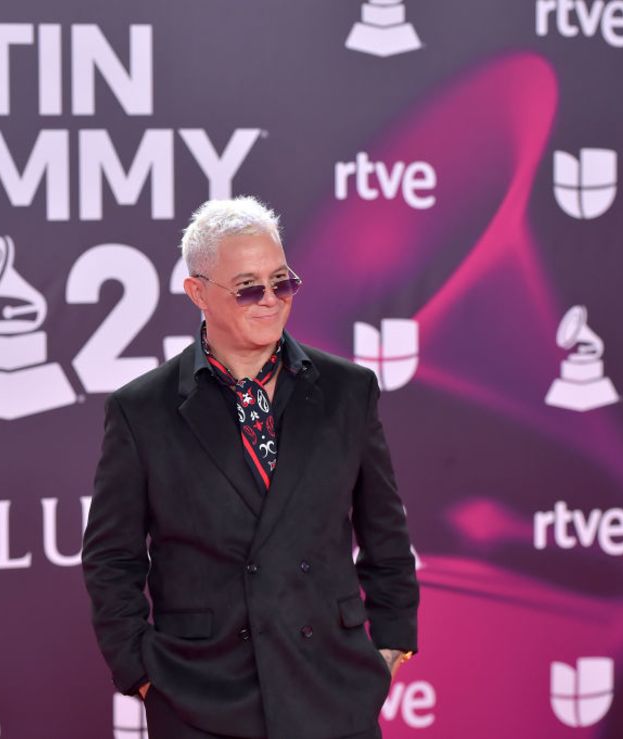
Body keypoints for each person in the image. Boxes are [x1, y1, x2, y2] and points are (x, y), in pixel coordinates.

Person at [82, 196, 419, 739]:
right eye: (248, 287)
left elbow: (386, 533)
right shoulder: (141, 410)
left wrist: (390, 644)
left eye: (281, 282)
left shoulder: (348, 391)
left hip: (333, 692)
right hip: (201, 699)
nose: (270, 300)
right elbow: (111, 558)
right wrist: (144, 674)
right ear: (198, 293)